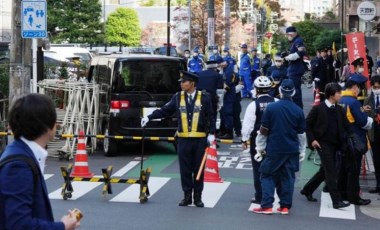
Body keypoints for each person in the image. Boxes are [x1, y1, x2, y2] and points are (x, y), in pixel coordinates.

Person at [0, 94, 80, 229]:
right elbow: (19, 225)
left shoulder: (22, 153)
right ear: (47, 124)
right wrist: (62, 226)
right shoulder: (18, 165)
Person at [141, 71, 215, 207]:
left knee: (198, 169)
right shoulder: (178, 97)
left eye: (184, 82)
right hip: (183, 140)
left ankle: (198, 197)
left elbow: (211, 116)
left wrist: (212, 133)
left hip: (199, 140)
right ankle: (187, 196)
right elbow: (165, 110)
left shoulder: (204, 97)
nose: (181, 84)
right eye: (181, 82)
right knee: (185, 170)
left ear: (192, 83)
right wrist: (149, 117)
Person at [253, 79, 306, 215]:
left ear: (280, 91)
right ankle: (285, 206)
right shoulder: (298, 110)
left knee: (267, 174)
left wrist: (259, 147)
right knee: (288, 177)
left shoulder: (271, 107)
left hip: (274, 148)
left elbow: (263, 130)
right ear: (293, 92)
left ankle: (267, 205)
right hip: (292, 149)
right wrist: (302, 150)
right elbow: (301, 134)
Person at [300, 83, 351, 209]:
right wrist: (312, 140)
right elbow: (307, 124)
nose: (341, 94)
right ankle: (336, 201)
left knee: (324, 171)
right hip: (322, 144)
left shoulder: (339, 109)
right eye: (338, 92)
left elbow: (346, 125)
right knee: (331, 172)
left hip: (336, 144)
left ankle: (307, 189)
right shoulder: (318, 109)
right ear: (331, 95)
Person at [241, 76, 278, 204]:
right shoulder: (276, 101)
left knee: (258, 169)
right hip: (274, 141)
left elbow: (248, 125)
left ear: (256, 89)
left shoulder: (253, 105)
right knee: (275, 168)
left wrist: (244, 139)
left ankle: (260, 196)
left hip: (258, 142)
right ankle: (274, 194)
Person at [338, 74, 372, 205]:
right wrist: (367, 118)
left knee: (343, 168)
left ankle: (342, 194)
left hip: (343, 139)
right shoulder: (354, 102)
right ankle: (354, 197)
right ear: (354, 87)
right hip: (355, 140)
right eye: (359, 87)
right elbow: (363, 122)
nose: (359, 90)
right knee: (354, 170)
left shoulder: (340, 99)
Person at [364, 75, 380, 194]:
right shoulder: (368, 99)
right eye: (374, 87)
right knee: (377, 159)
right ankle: (378, 184)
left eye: (378, 86)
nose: (376, 88)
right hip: (374, 133)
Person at [284, 26, 307, 109]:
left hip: (295, 69)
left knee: (295, 91)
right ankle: (296, 108)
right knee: (294, 90)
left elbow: (302, 51)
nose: (287, 36)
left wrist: (291, 56)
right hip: (294, 68)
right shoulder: (295, 41)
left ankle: (298, 109)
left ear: (293, 33)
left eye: (288, 34)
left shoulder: (298, 40)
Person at [219, 55, 238, 139]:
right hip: (228, 94)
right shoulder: (225, 69)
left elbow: (227, 84)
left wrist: (223, 91)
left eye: (219, 64)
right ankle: (224, 131)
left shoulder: (228, 71)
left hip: (229, 94)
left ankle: (229, 133)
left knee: (228, 113)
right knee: (224, 113)